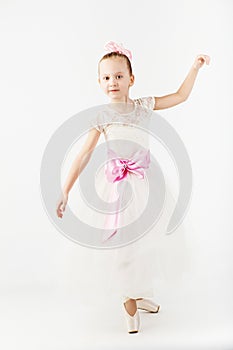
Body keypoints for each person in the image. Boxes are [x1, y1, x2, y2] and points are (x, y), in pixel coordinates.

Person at [56, 41, 210, 334]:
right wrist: (65, 190)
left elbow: (180, 96)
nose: (112, 82)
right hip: (116, 189)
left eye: (118, 76)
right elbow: (84, 155)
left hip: (147, 185)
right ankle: (127, 300)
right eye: (106, 77)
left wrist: (195, 67)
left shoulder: (144, 106)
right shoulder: (101, 116)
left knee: (145, 242)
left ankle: (137, 293)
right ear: (99, 82)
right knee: (123, 244)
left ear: (131, 79)